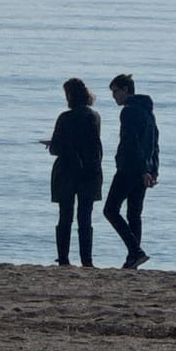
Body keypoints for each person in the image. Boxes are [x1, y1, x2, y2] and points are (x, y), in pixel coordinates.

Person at [42, 78, 103, 267]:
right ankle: (87, 260)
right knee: (85, 218)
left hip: (66, 171)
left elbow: (57, 148)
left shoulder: (65, 117)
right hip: (90, 170)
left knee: (65, 216)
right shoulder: (94, 116)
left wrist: (52, 145)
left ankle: (64, 258)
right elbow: (92, 144)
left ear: (70, 96)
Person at [103, 73, 159, 269]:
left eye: (115, 92)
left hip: (130, 168)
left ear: (126, 90)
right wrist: (153, 170)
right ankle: (133, 258)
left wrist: (144, 169)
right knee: (134, 214)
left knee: (110, 210)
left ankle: (135, 251)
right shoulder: (147, 110)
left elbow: (132, 142)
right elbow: (154, 142)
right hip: (144, 169)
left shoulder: (128, 111)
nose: (114, 97)